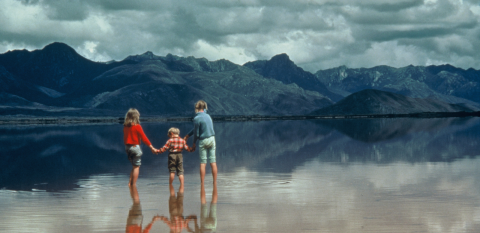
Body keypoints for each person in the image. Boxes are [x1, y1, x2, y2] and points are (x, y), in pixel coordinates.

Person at [184, 100, 217, 185]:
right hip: (212, 139)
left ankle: (202, 183)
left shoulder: (196, 118)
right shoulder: (208, 116)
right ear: (204, 108)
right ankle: (215, 182)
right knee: (213, 162)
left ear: (196, 108)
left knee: (203, 163)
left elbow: (197, 133)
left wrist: (194, 143)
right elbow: (195, 130)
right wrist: (188, 135)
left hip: (203, 140)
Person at [124, 108, 157, 187]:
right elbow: (144, 138)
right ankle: (134, 185)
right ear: (136, 117)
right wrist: (152, 147)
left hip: (127, 148)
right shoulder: (137, 126)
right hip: (135, 147)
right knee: (136, 167)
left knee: (134, 166)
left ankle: (130, 184)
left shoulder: (125, 126)